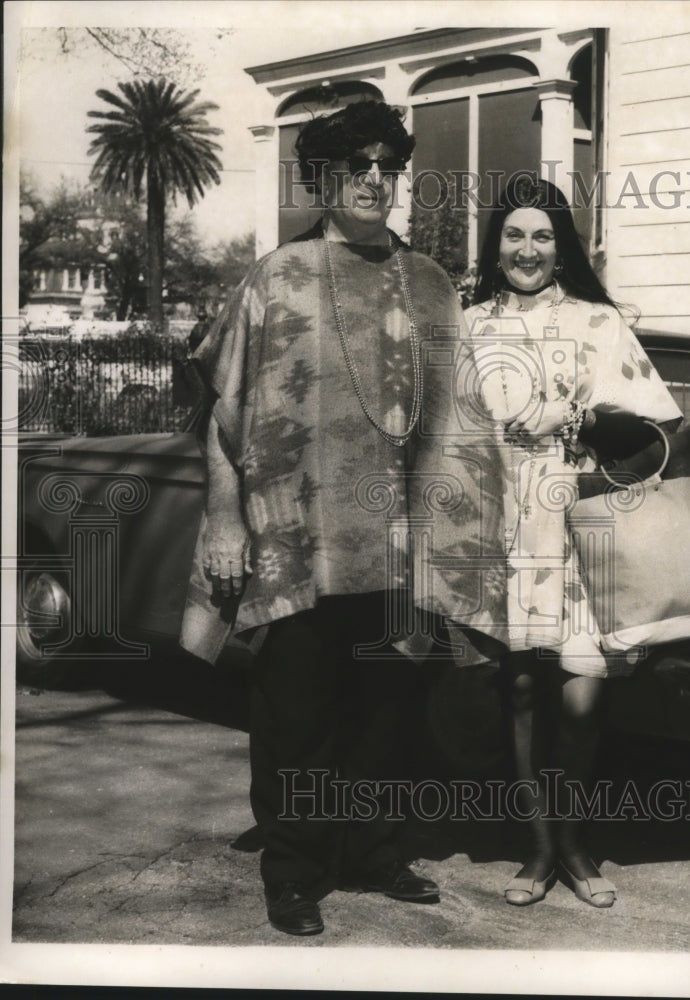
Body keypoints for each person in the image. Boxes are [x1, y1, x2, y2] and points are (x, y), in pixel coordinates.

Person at [180, 101, 508, 936]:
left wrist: (455, 545)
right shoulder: (276, 278)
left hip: (397, 550)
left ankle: (371, 852)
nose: (372, 179)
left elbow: (460, 425)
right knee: (296, 716)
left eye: (386, 166)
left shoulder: (433, 286)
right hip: (296, 544)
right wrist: (224, 523)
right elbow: (223, 416)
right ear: (323, 177)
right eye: (353, 165)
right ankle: (294, 869)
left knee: (387, 713)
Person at [465, 175, 682, 909]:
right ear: (496, 246)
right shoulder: (466, 327)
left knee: (584, 695)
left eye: (544, 236)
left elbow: (659, 430)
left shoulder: (598, 322)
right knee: (523, 689)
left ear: (563, 250)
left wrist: (579, 420)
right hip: (505, 530)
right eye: (515, 234)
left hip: (585, 525)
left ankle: (576, 845)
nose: (528, 249)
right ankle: (537, 849)